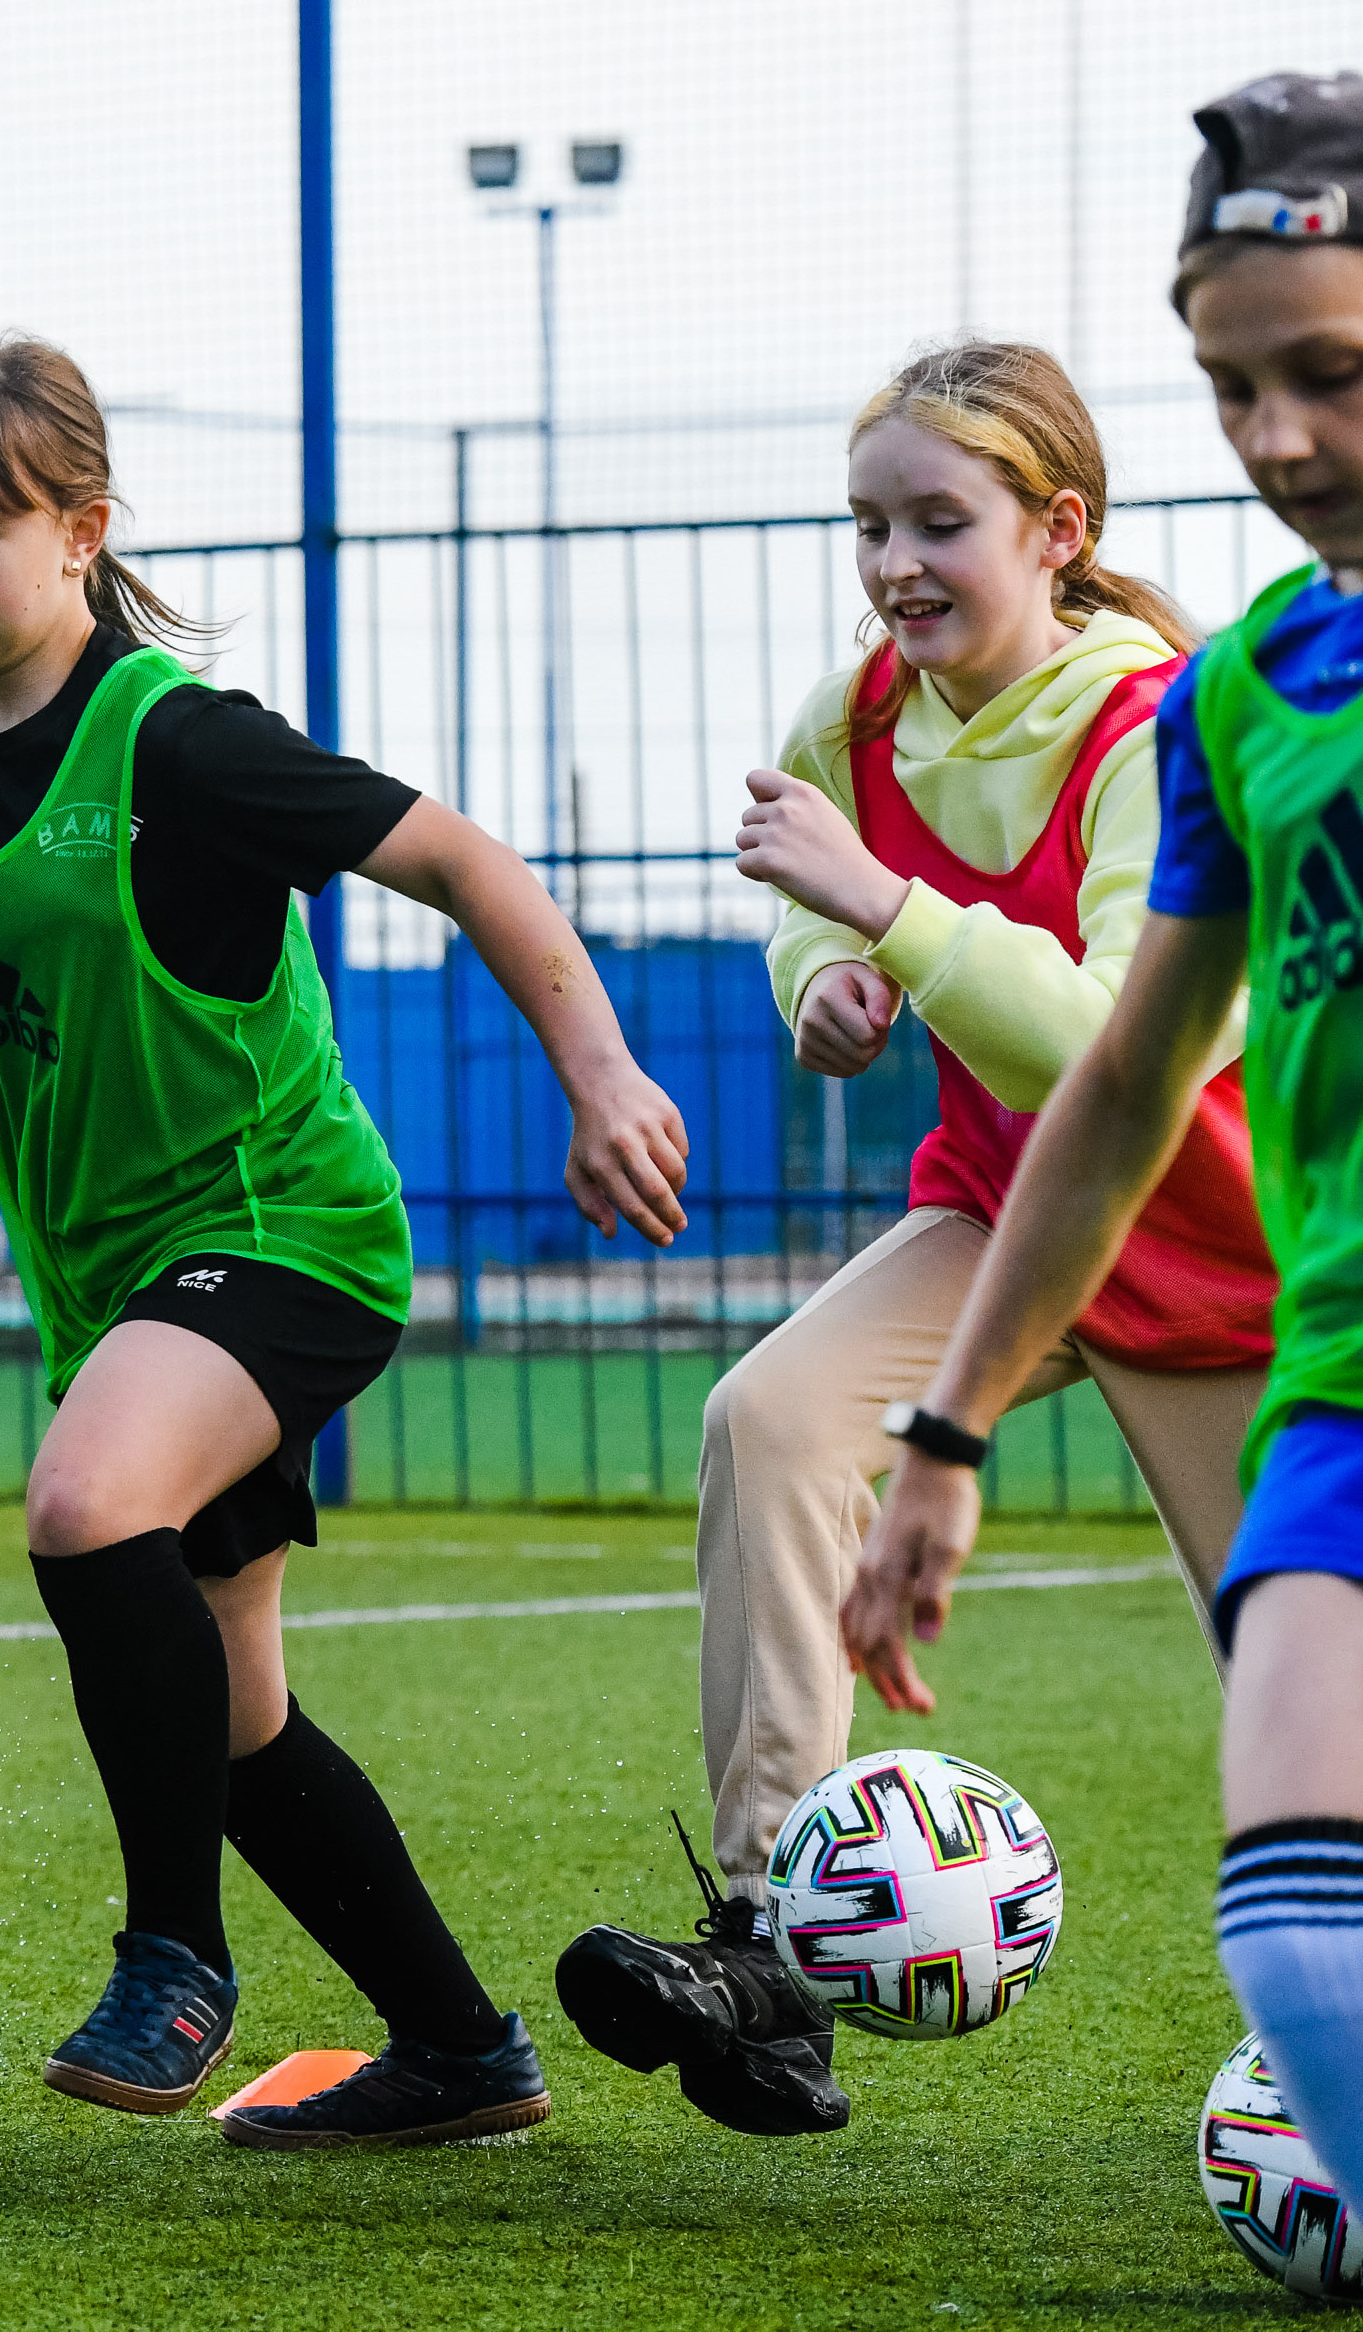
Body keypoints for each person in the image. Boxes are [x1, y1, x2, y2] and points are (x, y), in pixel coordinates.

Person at [0, 334, 695, 2149]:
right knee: (239, 1713)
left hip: (286, 1234)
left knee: (84, 1508)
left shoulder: (180, 743)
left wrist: (603, 1075)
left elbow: (466, 865)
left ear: (81, 532)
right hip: (114, 1287)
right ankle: (461, 2048)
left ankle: (174, 1956)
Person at [556, 343, 1265, 2141]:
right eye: (869, 524)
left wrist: (891, 910)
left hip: (1244, 1256)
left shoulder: (1160, 729)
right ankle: (769, 1955)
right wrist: (828, 984)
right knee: (774, 1422)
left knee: (1296, 1675)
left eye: (940, 522)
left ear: (1061, 531)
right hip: (1001, 1222)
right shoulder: (859, 716)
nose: (895, 563)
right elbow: (808, 923)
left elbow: (1129, 1053)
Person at [842, 69, 1363, 2200]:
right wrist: (949, 1436)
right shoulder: (1249, 687)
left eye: (1327, 373)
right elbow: (1126, 1080)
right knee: (1306, 1939)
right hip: (1335, 1373)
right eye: (1233, 386)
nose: (1278, 441)